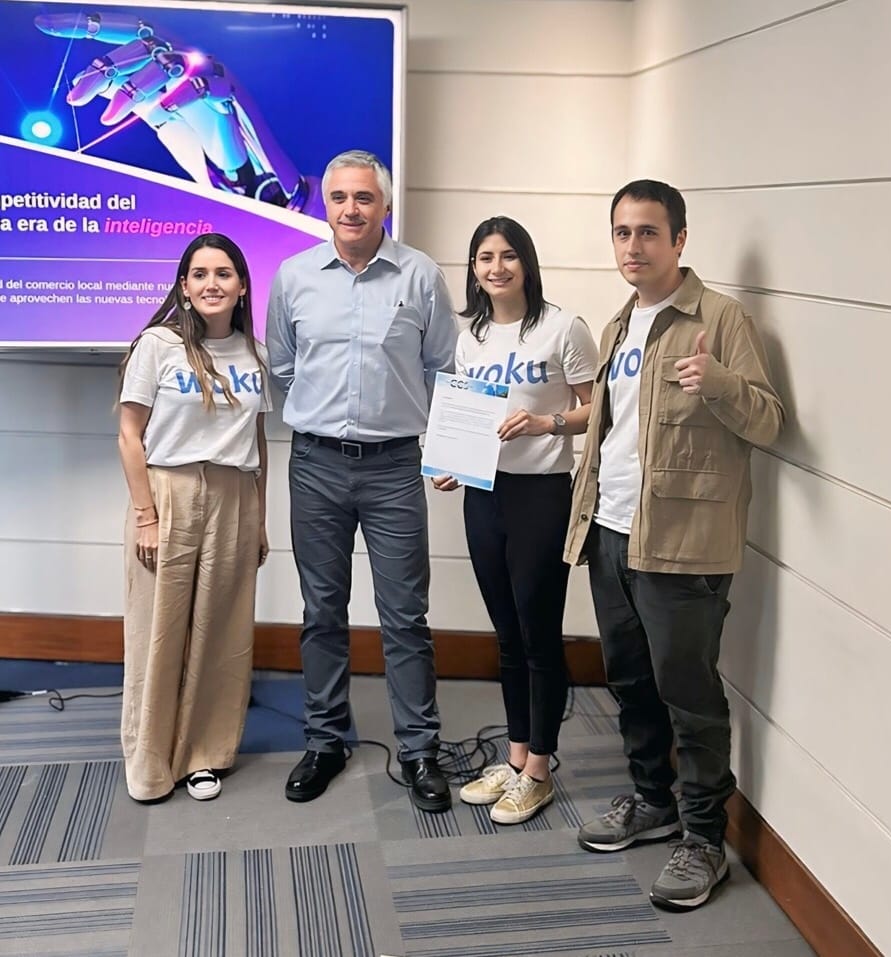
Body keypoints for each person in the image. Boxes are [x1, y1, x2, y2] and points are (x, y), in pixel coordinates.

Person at [565, 180, 784, 910]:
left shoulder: (720, 319)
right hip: (611, 531)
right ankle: (650, 799)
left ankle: (702, 838)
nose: (633, 246)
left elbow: (767, 422)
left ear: (679, 240)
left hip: (684, 545)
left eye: (648, 232)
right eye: (622, 232)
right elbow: (613, 429)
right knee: (628, 679)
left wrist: (719, 383)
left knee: (687, 694)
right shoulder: (618, 324)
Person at [266, 150, 458, 812]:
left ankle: (420, 750)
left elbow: (442, 367)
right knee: (322, 612)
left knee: (406, 616)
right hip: (315, 463)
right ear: (326, 204)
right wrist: (326, 415)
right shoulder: (293, 276)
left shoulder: (421, 276)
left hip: (394, 467)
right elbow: (284, 367)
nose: (351, 209)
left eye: (364, 198)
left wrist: (445, 449)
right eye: (340, 197)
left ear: (385, 206)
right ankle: (324, 741)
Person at [432, 216, 597, 824]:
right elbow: (465, 414)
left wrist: (545, 424)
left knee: (538, 634)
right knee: (506, 634)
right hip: (485, 495)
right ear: (473, 269)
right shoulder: (468, 335)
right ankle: (516, 754)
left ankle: (540, 770)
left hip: (541, 495)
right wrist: (453, 462)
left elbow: (593, 410)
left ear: (526, 263)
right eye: (483, 258)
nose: (495, 267)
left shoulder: (562, 328)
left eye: (507, 256)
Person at [117, 232, 270, 803]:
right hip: (169, 493)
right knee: (158, 631)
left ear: (242, 286)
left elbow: (257, 439)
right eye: (200, 274)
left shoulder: (255, 354)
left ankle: (205, 754)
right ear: (184, 287)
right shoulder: (157, 345)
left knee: (220, 630)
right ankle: (150, 759)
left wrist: (258, 519)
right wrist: (146, 516)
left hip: (235, 496)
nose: (212, 284)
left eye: (224, 273)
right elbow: (130, 435)